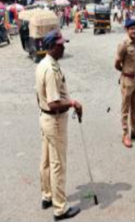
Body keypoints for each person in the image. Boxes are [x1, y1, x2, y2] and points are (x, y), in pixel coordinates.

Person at [35, 30, 82, 221]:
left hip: (45, 118)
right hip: (54, 121)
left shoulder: (43, 64)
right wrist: (72, 103)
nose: (64, 47)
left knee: (46, 160)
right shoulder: (51, 70)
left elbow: (39, 95)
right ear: (52, 47)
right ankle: (60, 208)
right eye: (61, 45)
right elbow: (54, 104)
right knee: (57, 165)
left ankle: (47, 196)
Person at [115, 19, 135, 148]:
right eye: (131, 28)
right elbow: (117, 63)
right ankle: (125, 134)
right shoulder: (123, 44)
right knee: (125, 109)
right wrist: (125, 73)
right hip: (127, 81)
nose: (134, 30)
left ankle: (134, 131)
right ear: (126, 29)